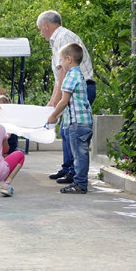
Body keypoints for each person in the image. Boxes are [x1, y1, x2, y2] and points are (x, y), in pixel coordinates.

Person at [37, 10, 94, 183]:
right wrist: (53, 101)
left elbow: (63, 72)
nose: (41, 33)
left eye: (40, 29)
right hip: (72, 89)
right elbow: (58, 76)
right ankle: (68, 168)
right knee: (66, 130)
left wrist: (56, 103)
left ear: (46, 26)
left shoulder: (62, 38)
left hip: (78, 90)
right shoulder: (60, 37)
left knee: (71, 132)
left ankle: (74, 173)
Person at [45, 42, 94, 193]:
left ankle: (80, 184)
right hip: (84, 122)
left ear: (68, 59)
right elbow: (71, 103)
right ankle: (80, 182)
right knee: (82, 153)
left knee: (79, 155)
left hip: (77, 124)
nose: (60, 64)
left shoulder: (70, 77)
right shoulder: (79, 75)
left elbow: (64, 101)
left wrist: (53, 116)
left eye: (61, 60)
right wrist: (59, 114)